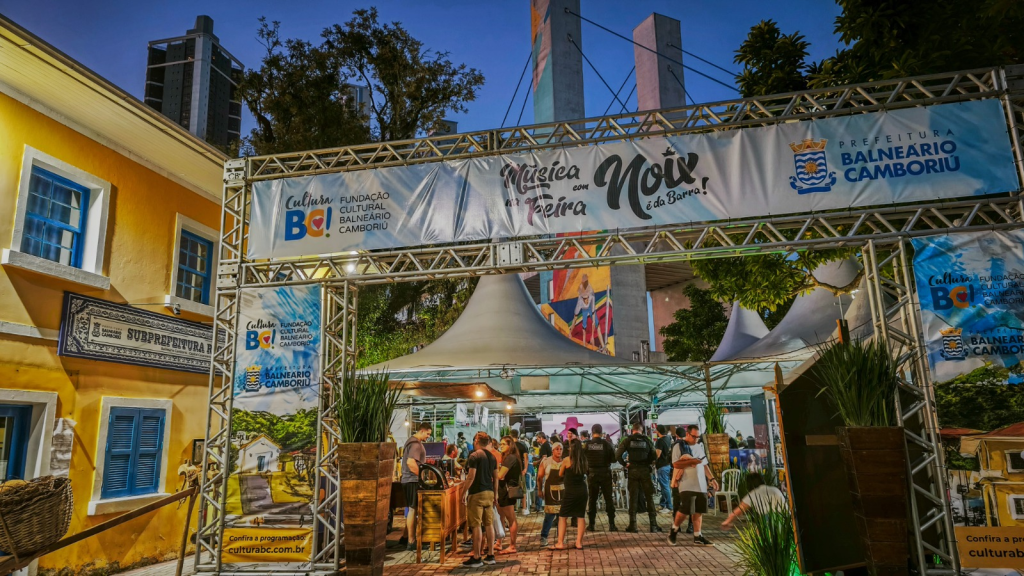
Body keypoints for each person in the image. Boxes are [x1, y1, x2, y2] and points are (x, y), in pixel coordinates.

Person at [668, 425, 718, 546]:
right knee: (686, 509)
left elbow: (704, 464)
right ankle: (674, 529)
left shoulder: (698, 446)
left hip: (700, 483)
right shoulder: (679, 445)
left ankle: (697, 535)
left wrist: (712, 479)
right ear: (688, 434)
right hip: (686, 483)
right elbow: (676, 464)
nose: (696, 439)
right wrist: (692, 461)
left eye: (698, 437)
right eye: (694, 436)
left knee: (699, 510)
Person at [615, 422, 663, 533]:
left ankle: (633, 525)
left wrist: (625, 464)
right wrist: (648, 462)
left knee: (633, 497)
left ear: (633, 430)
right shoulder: (647, 440)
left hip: (633, 471)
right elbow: (654, 456)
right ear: (642, 430)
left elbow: (617, 455)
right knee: (649, 497)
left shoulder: (627, 440)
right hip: (645, 471)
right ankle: (653, 525)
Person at [461, 432, 498, 567]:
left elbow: (471, 477)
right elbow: (496, 478)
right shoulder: (492, 457)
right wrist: (496, 494)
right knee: (489, 524)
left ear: (476, 441)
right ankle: (491, 555)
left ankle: (477, 556)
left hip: (477, 493)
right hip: (489, 493)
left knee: (476, 525)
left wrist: (463, 492)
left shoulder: (474, 456)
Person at [552, 439, 589, 550]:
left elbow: (560, 473)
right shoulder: (584, 460)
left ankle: (560, 543)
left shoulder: (567, 460)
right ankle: (579, 543)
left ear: (571, 449)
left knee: (563, 516)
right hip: (582, 491)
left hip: (570, 491)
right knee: (580, 516)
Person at [400, 423, 431, 551]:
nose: (428, 436)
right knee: (413, 509)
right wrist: (422, 478)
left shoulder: (410, 442)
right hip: (412, 480)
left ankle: (406, 537)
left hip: (408, 480)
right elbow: (411, 462)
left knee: (412, 509)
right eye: (428, 433)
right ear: (422, 431)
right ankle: (411, 541)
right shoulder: (416, 444)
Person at [721, 472, 786, 529]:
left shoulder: (753, 494)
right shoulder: (774, 489)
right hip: (786, 518)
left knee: (760, 530)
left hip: (770, 521)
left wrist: (726, 522)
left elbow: (738, 511)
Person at [584, 423, 618, 531]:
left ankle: (591, 524)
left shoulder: (587, 445)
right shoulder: (607, 444)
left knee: (592, 499)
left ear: (592, 432)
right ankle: (612, 524)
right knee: (608, 499)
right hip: (605, 473)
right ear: (601, 432)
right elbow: (614, 459)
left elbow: (583, 459)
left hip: (592, 474)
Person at [495, 436, 522, 554]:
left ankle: (512, 545)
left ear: (509, 445)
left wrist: (492, 472)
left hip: (507, 490)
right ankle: (499, 542)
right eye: (500, 444)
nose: (501, 446)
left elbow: (500, 475)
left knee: (511, 518)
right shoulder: (508, 457)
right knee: (501, 516)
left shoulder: (510, 458)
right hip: (503, 490)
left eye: (503, 444)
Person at [537, 442, 564, 547]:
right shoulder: (546, 461)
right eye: (557, 449)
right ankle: (544, 537)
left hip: (562, 491)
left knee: (562, 516)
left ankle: (560, 539)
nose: (559, 451)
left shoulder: (565, 462)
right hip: (549, 492)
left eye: (560, 449)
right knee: (549, 515)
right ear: (552, 450)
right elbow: (540, 478)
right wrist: (540, 490)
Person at [654, 425, 674, 513]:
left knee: (665, 487)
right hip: (667, 465)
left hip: (661, 466)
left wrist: (652, 460)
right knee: (664, 486)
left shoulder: (660, 441)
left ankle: (669, 506)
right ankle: (662, 504)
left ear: (658, 431)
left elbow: (657, 455)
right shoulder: (668, 439)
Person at [510, 429, 530, 515]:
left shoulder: (510, 446)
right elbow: (526, 458)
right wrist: (525, 469)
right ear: (518, 435)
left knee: (511, 488)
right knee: (523, 489)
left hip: (510, 470)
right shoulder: (522, 445)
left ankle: (513, 508)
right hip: (520, 470)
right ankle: (524, 508)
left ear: (510, 436)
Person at [534, 432, 552, 512]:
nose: (537, 440)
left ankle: (538, 506)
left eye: (538, 439)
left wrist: (537, 462)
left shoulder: (544, 446)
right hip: (547, 468)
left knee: (539, 485)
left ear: (541, 438)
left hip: (543, 468)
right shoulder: (547, 445)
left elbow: (544, 458)